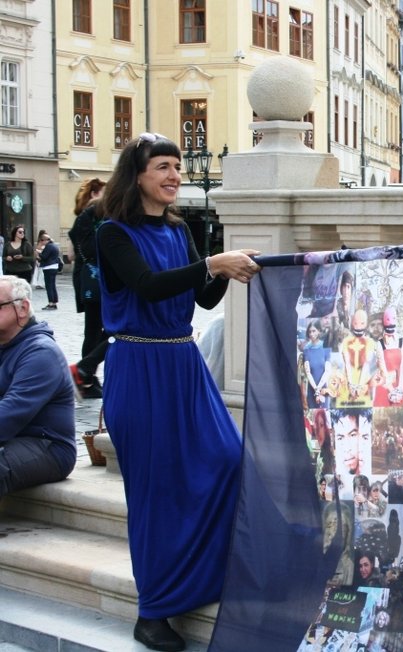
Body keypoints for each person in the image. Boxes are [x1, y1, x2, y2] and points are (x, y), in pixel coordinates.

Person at [94, 131, 261, 652]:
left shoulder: (179, 229)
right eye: (162, 167)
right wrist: (212, 263)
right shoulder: (112, 233)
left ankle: (203, 576)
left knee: (227, 459)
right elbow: (146, 285)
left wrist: (236, 269)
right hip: (138, 366)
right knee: (154, 492)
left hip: (183, 364)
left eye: (177, 166)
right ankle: (153, 612)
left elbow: (203, 297)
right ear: (138, 175)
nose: (173, 176)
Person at [0, 276, 76, 498]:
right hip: (12, 438)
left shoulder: (41, 352)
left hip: (47, 446)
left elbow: (12, 412)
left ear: (22, 308)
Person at [68, 177, 108, 399]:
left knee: (96, 331)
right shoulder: (92, 217)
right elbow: (83, 250)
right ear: (94, 194)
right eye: (103, 192)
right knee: (104, 330)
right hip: (96, 281)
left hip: (91, 281)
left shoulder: (89, 217)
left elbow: (74, 252)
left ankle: (87, 375)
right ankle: (85, 373)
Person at [34, 234, 61, 310]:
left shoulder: (48, 246)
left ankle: (51, 303)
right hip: (54, 267)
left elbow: (44, 257)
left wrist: (38, 254)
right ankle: (54, 302)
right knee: (52, 286)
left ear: (45, 240)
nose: (42, 242)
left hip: (48, 267)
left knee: (49, 286)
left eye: (42, 240)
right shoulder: (54, 245)